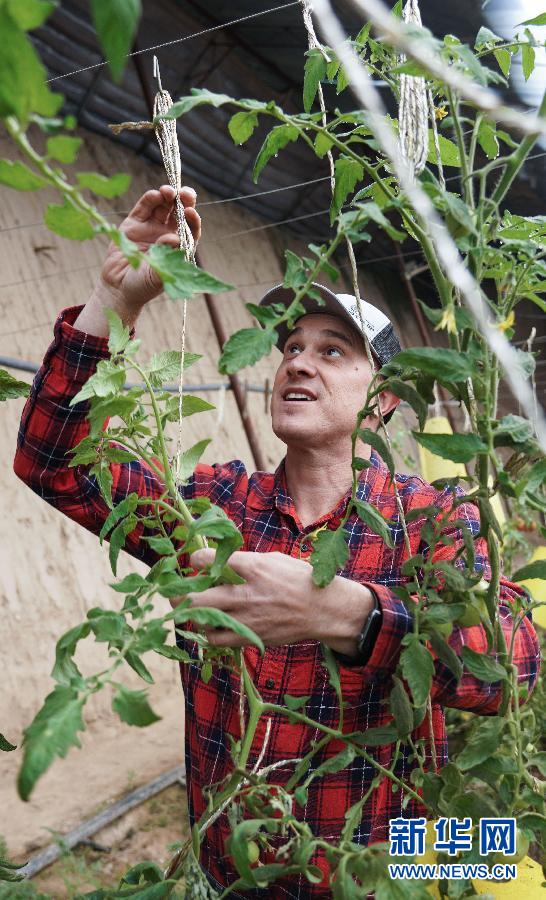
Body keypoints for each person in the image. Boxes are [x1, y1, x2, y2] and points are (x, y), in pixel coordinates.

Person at [13, 185, 541, 899]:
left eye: (333, 351)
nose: (297, 362)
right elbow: (54, 461)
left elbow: (514, 666)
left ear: (384, 399)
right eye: (290, 348)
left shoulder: (430, 519)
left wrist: (346, 614)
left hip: (374, 880)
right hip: (231, 875)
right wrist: (117, 299)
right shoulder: (213, 507)